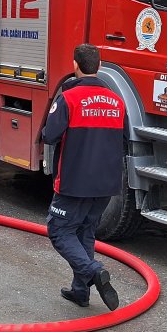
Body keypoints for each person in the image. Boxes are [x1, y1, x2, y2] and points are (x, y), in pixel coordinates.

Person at [39, 43, 125, 311]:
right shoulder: (117, 101)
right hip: (106, 184)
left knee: (59, 230)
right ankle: (81, 292)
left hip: (74, 182)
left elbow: (49, 135)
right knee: (85, 232)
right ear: (98, 66)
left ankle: (93, 271)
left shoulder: (69, 98)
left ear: (75, 65)